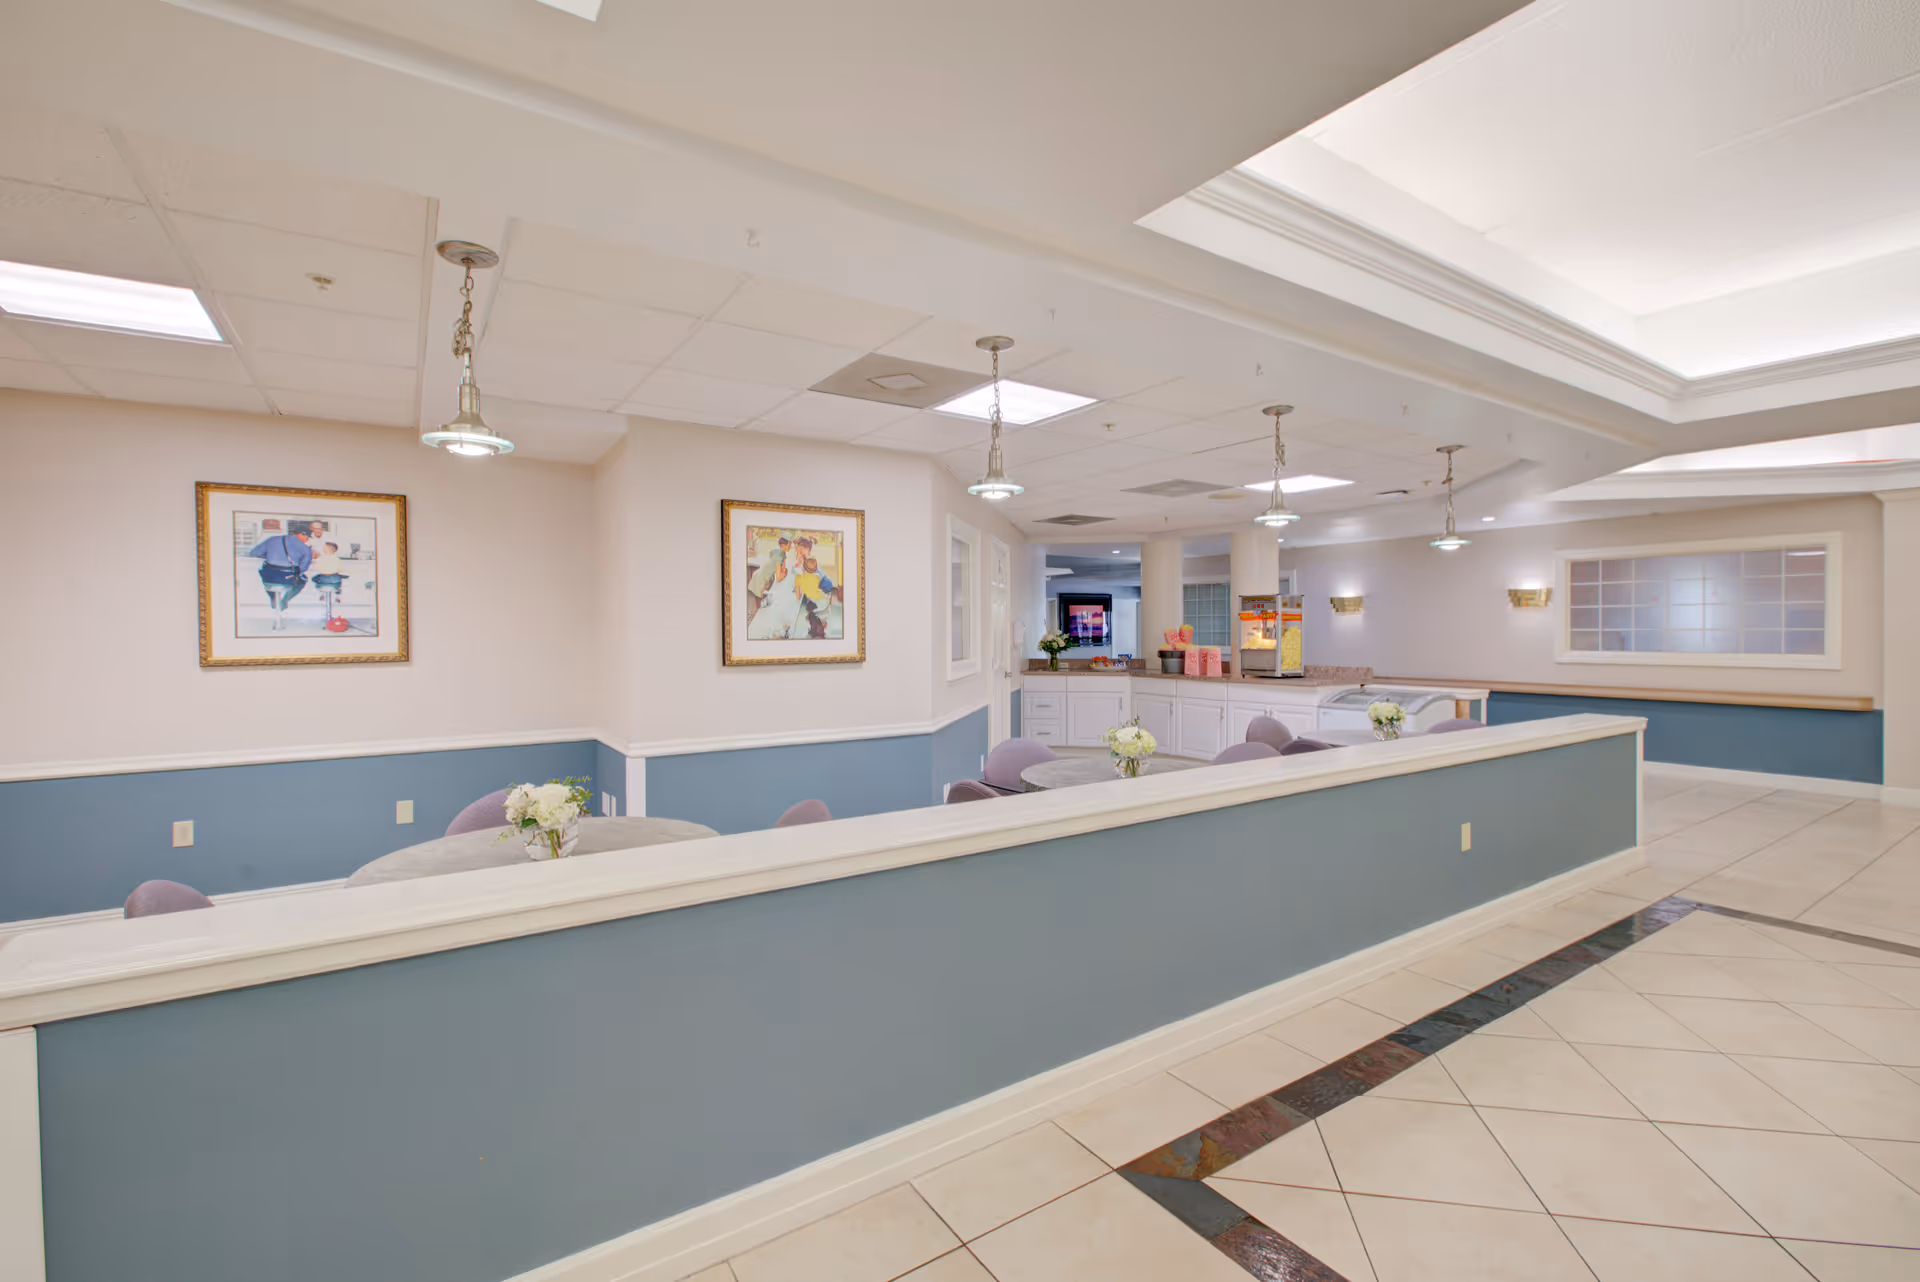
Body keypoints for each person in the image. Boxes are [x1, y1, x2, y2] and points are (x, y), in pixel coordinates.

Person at [246, 527, 312, 610]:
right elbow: (303, 568)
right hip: (288, 577)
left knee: (268, 579)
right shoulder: (305, 549)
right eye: (307, 537)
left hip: (269, 576)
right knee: (302, 581)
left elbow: (254, 553)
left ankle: (274, 599)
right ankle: (284, 601)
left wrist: (269, 556)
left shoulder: (272, 540)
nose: (307, 540)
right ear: (300, 534)